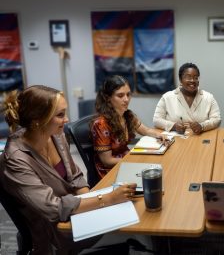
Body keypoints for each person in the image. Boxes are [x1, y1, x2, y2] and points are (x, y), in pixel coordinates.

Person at [0, 85, 137, 255]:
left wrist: (92, 202)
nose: (66, 120)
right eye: (60, 115)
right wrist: (106, 199)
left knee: (134, 218)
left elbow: (76, 177)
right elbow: (52, 208)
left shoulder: (56, 135)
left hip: (76, 214)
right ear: (37, 120)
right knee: (136, 237)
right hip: (56, 229)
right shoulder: (16, 158)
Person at [91, 75, 169, 178]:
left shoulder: (127, 115)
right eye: (120, 96)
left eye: (128, 94)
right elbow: (107, 161)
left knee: (161, 171)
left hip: (127, 162)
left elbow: (145, 130)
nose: (126, 99)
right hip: (111, 171)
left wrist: (158, 134)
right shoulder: (101, 124)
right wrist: (134, 159)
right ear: (108, 98)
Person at [153, 62, 221, 134]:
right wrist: (174, 126)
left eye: (195, 77)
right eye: (188, 77)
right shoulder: (167, 97)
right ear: (180, 79)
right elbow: (156, 120)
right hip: (176, 139)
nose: (192, 80)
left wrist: (202, 126)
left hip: (202, 137)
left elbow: (217, 119)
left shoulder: (208, 97)